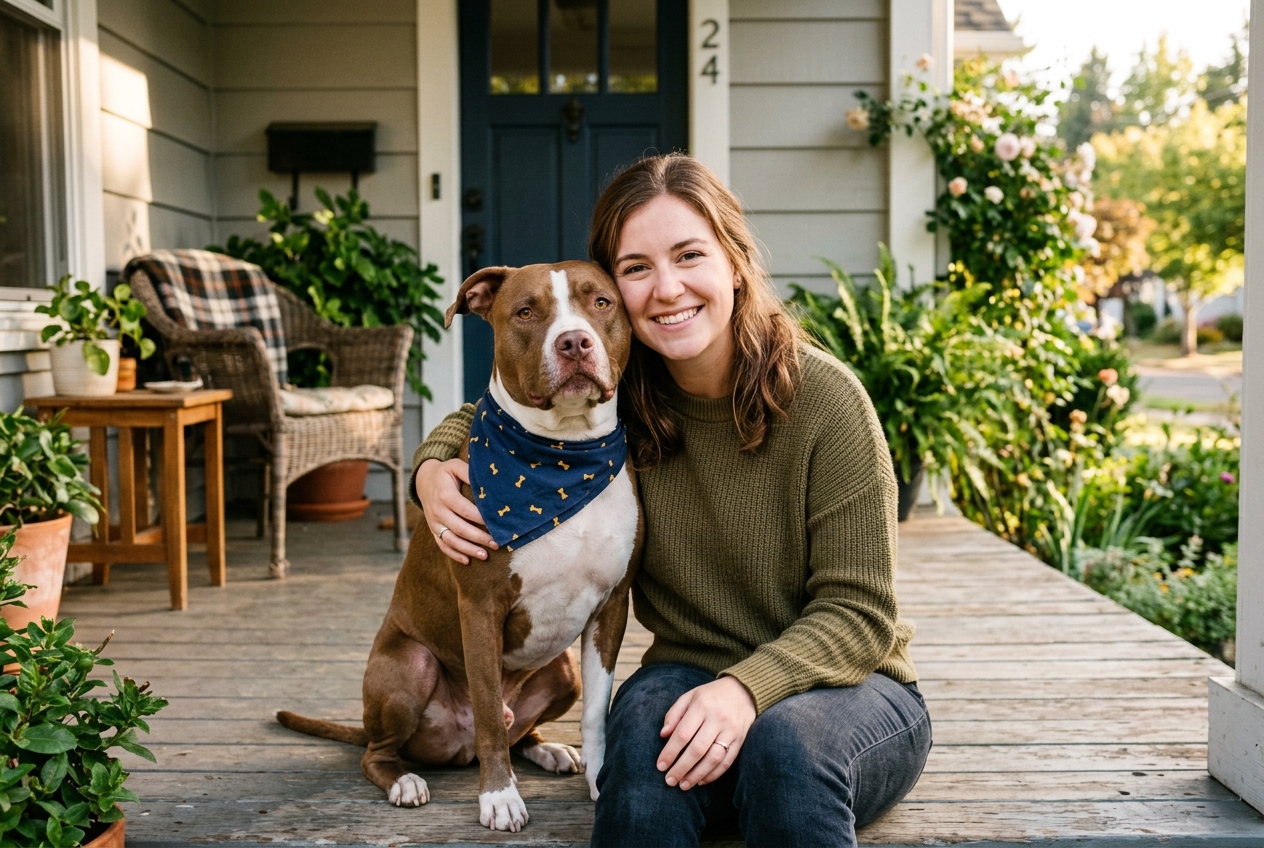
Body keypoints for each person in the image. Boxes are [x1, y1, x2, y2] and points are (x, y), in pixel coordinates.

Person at [411, 153, 931, 847]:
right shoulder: (615, 397)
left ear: (735, 262)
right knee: (637, 780)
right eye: (636, 268)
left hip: (849, 687)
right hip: (687, 671)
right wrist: (433, 462)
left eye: (689, 255)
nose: (666, 287)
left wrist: (746, 691)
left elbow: (862, 615)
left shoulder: (828, 403)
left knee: (783, 753)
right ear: (610, 292)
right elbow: (506, 418)